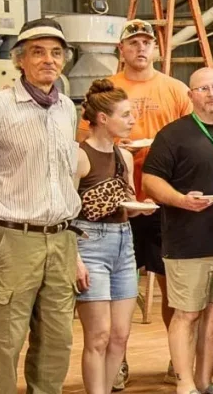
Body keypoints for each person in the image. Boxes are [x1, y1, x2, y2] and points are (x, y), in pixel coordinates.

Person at [0, 18, 82, 394]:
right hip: (13, 240)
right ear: (19, 60)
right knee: (4, 340)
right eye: (38, 52)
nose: (49, 60)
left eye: (56, 53)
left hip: (61, 240)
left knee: (57, 341)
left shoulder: (66, 109)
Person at [76, 19, 194, 388]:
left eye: (147, 42)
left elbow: (189, 138)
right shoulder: (108, 91)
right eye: (133, 42)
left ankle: (177, 359)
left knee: (170, 285)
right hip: (102, 221)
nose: (141, 48)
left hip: (157, 200)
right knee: (103, 326)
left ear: (156, 49)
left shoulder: (174, 89)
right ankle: (117, 367)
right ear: (122, 50)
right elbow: (85, 148)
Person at [142, 68, 213, 394]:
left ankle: (204, 380)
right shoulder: (172, 134)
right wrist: (180, 200)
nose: (211, 93)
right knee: (187, 313)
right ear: (191, 95)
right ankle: (185, 383)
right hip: (188, 242)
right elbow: (150, 181)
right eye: (203, 88)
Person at [73, 79, 157, 394]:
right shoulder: (79, 156)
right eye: (125, 114)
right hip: (89, 243)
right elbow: (67, 212)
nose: (132, 120)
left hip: (123, 241)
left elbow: (126, 203)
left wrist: (141, 208)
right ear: (103, 118)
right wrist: (75, 258)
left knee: (120, 335)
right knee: (98, 335)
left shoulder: (124, 156)